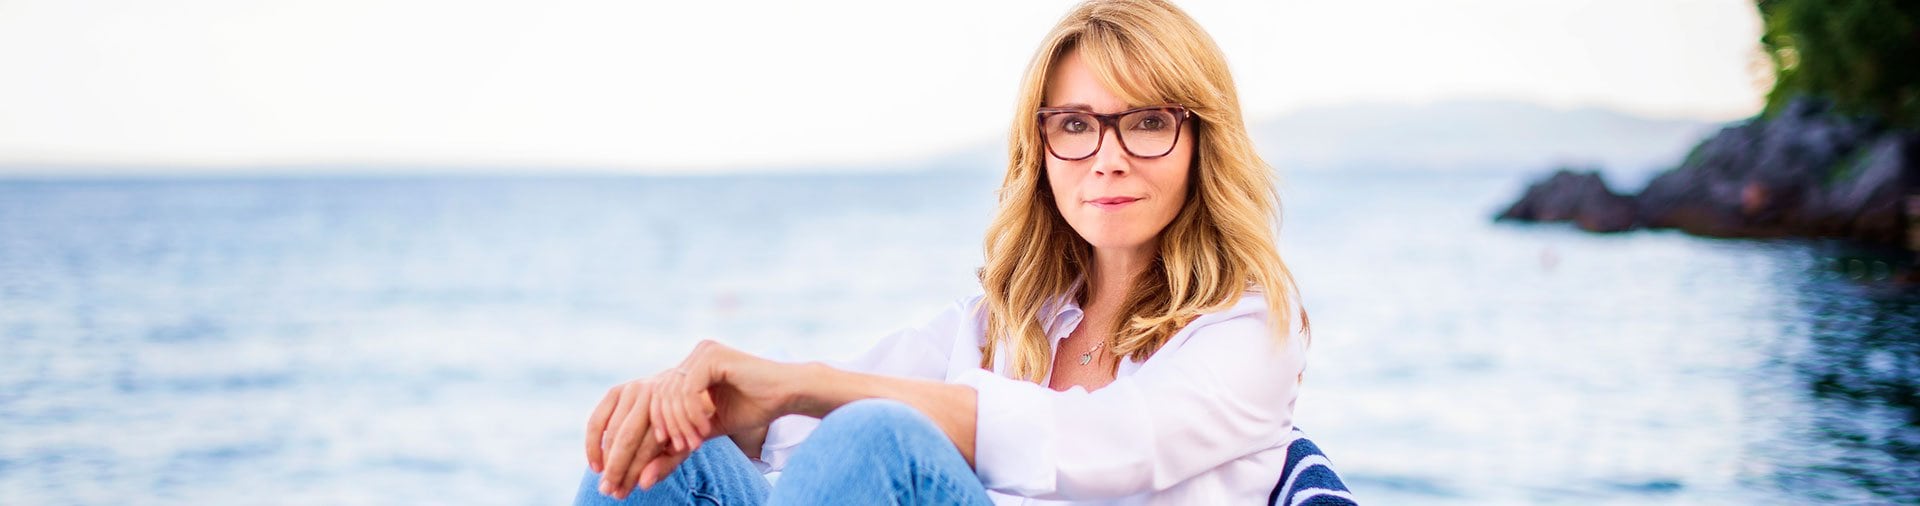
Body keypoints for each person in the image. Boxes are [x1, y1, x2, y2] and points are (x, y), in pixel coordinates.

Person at [576, 0, 1312, 503]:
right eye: (1077, 125)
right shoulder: (1002, 324)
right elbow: (806, 433)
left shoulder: (1250, 329)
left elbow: (1101, 443)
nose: (1107, 158)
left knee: (881, 436)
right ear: (1043, 147)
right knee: (662, 453)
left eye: (1148, 122)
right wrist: (710, 407)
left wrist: (798, 381)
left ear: (1201, 143)